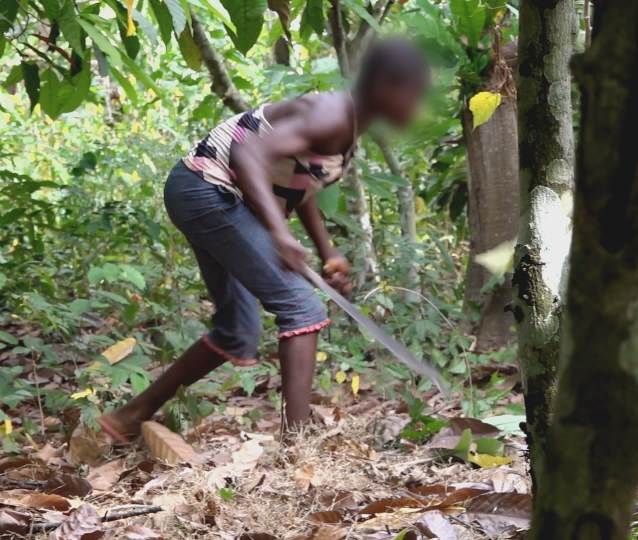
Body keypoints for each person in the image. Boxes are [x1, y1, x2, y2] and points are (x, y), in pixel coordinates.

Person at [97, 39, 429, 442]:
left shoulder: (349, 126)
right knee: (302, 309)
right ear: (383, 86)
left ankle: (129, 416)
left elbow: (299, 184)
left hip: (205, 193)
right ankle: (297, 450)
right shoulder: (331, 114)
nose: (417, 108)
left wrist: (328, 254)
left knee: (236, 331)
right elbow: (247, 154)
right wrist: (279, 233)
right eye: (414, 94)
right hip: (208, 190)